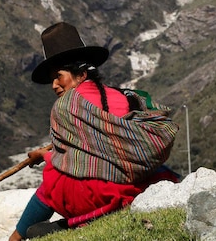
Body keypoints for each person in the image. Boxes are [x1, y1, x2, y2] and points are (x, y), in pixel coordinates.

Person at [9, 22, 180, 240]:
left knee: (54, 178)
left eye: (58, 76)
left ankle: (16, 236)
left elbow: (74, 162)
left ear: (80, 74)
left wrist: (48, 158)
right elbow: (103, 149)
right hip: (138, 185)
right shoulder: (122, 96)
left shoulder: (66, 107)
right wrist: (45, 153)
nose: (54, 85)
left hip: (101, 194)